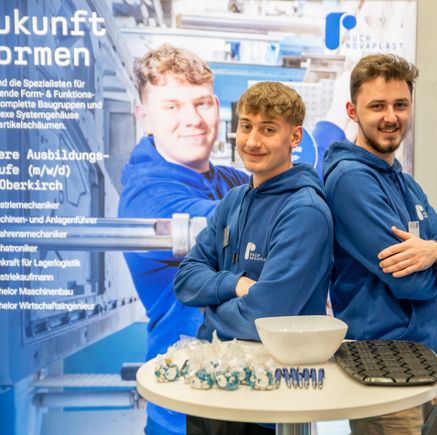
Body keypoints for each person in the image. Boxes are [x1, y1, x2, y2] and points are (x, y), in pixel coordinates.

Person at [173, 81, 333, 435]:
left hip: (267, 402)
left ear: (295, 137)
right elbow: (185, 280)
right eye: (246, 126)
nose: (252, 141)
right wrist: (235, 284)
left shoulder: (304, 211)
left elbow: (264, 317)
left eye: (268, 129)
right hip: (212, 386)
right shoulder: (234, 200)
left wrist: (210, 308)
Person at [322, 53, 437, 435]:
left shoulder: (403, 182)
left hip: (431, 365)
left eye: (400, 104)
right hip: (383, 374)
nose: (391, 117)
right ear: (352, 111)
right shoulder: (350, 182)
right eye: (377, 106)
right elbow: (411, 283)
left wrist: (436, 252)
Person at [118, 44, 248, 435]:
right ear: (145, 118)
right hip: (187, 410)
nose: (192, 119)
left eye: (202, 103)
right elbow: (245, 219)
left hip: (244, 396)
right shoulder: (148, 193)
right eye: (172, 106)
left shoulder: (226, 179)